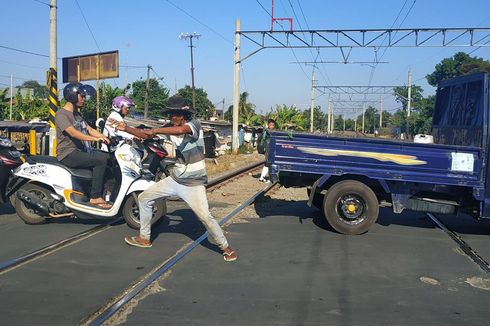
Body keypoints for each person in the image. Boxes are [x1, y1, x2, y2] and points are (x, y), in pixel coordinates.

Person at [118, 95, 238, 262]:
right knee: (145, 198)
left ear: (184, 115)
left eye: (175, 114)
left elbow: (181, 131)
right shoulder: (168, 127)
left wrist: (156, 130)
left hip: (193, 183)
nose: (171, 118)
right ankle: (144, 238)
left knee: (205, 217)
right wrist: (126, 128)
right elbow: (146, 135)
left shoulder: (194, 124)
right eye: (170, 114)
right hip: (175, 179)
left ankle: (226, 247)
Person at [55, 83, 111, 208]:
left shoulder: (77, 114)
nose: (84, 99)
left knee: (108, 157)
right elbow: (73, 133)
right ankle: (95, 197)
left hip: (81, 151)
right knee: (100, 160)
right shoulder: (61, 114)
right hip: (68, 153)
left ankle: (105, 192)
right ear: (73, 96)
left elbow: (90, 129)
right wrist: (95, 139)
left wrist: (104, 137)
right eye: (82, 96)